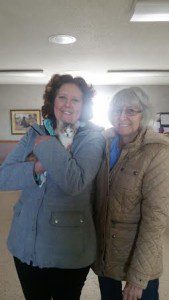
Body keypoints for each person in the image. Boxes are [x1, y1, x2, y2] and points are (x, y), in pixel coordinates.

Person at [0, 74, 105, 300]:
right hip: (24, 244)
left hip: (67, 251)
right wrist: (38, 166)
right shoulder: (35, 133)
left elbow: (74, 182)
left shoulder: (92, 138)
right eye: (62, 97)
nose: (68, 104)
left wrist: (46, 147)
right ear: (52, 101)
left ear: (84, 105)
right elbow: (4, 177)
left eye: (76, 100)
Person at [93, 87, 169, 300]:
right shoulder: (104, 142)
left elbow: (156, 219)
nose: (122, 116)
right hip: (106, 254)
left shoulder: (158, 151)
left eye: (131, 111)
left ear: (143, 114)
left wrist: (138, 276)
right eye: (117, 110)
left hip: (137, 258)